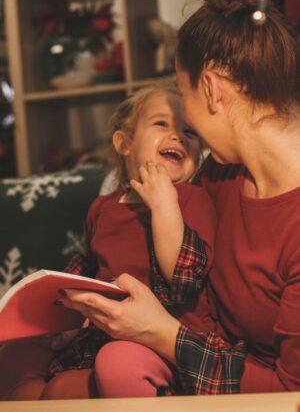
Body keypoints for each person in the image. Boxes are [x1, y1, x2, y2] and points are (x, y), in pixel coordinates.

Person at [54, 0, 300, 395]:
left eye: (182, 95)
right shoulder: (220, 174)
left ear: (211, 90)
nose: (183, 121)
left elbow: (288, 391)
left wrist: (160, 334)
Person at [0, 83, 221, 400]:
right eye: (162, 124)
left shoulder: (191, 198)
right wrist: (61, 316)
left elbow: (186, 280)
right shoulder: (104, 206)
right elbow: (87, 268)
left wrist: (163, 205)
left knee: (88, 377)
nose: (178, 136)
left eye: (190, 131)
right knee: (14, 356)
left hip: (158, 340)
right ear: (124, 143)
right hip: (100, 334)